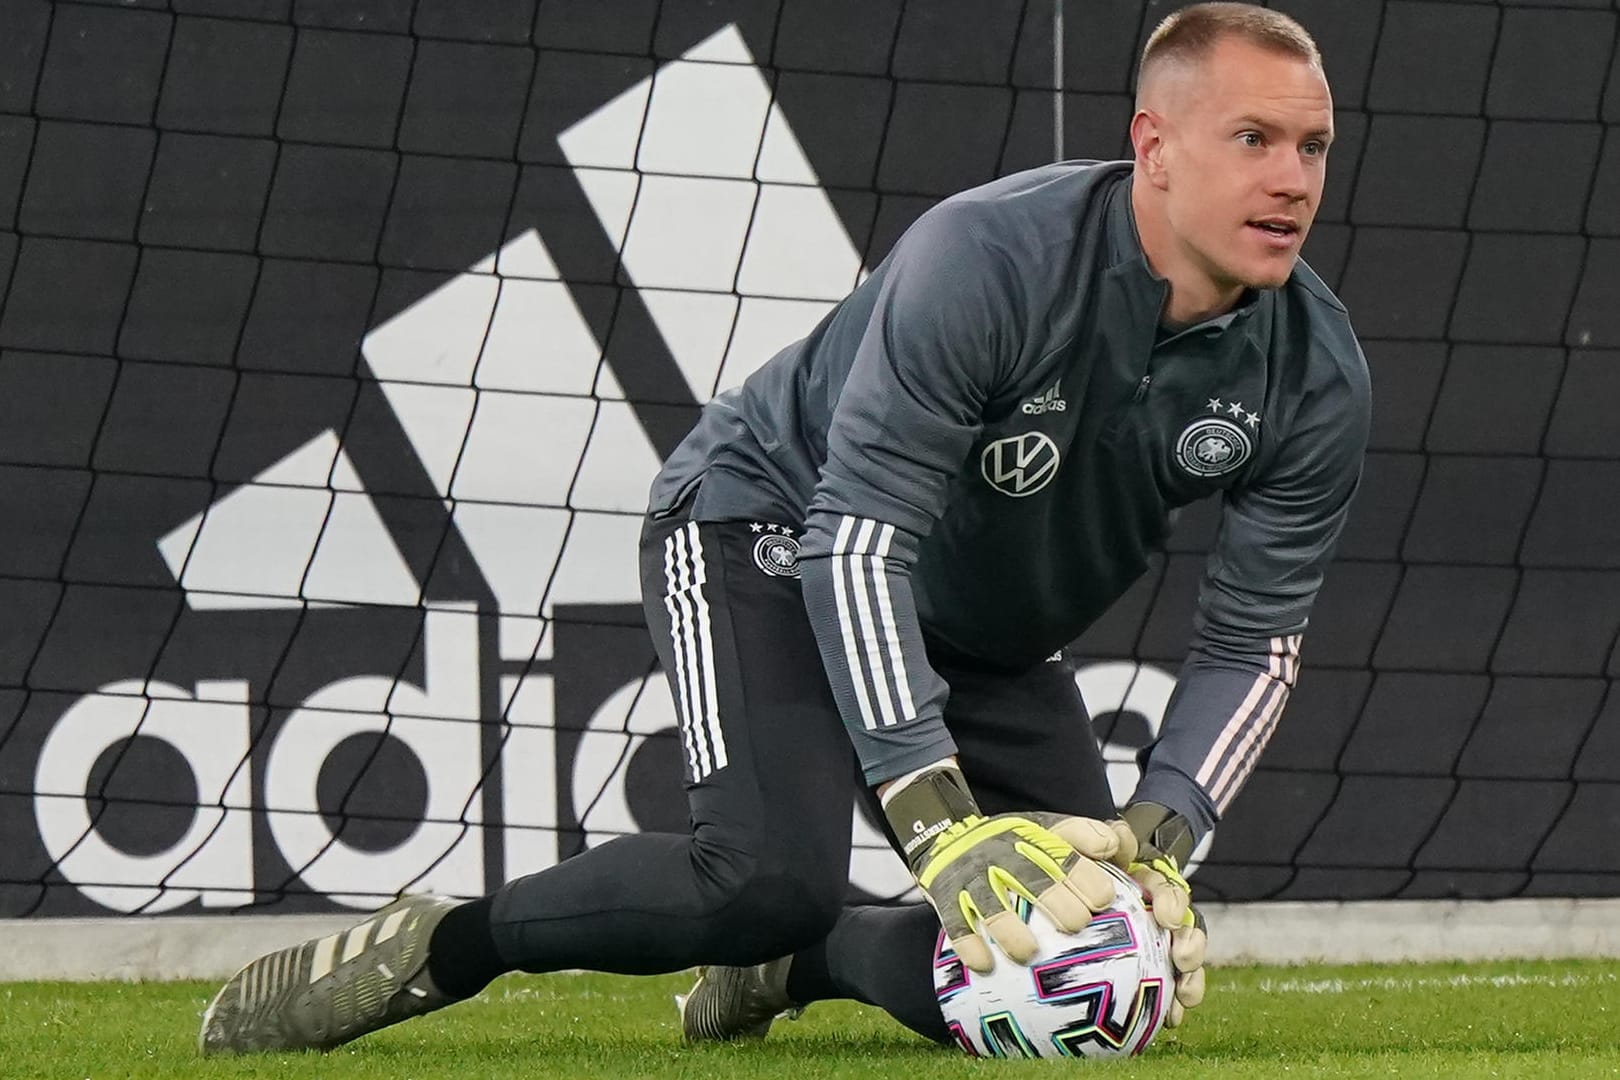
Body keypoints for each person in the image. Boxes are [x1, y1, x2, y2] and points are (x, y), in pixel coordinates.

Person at [198, 1, 1367, 1055]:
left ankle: (800, 967)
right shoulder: (993, 261)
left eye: (1311, 145)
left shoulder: (1315, 372)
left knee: (1100, 974)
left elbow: (1251, 642)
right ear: (1153, 149)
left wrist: (1162, 836)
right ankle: (437, 947)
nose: (1293, 178)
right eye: (1253, 139)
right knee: (758, 877)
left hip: (979, 626)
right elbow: (854, 543)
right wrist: (936, 815)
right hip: (768, 524)